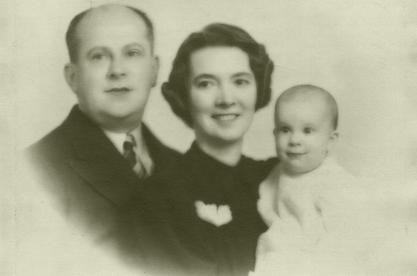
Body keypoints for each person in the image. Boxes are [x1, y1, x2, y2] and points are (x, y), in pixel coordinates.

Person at [120, 23, 276, 275]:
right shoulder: (158, 199)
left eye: (240, 81)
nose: (226, 99)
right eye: (206, 84)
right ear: (184, 97)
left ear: (258, 89)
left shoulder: (277, 177)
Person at [25, 4, 180, 240]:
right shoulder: (34, 171)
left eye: (132, 53)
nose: (117, 70)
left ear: (154, 70)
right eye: (98, 56)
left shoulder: (183, 167)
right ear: (72, 77)